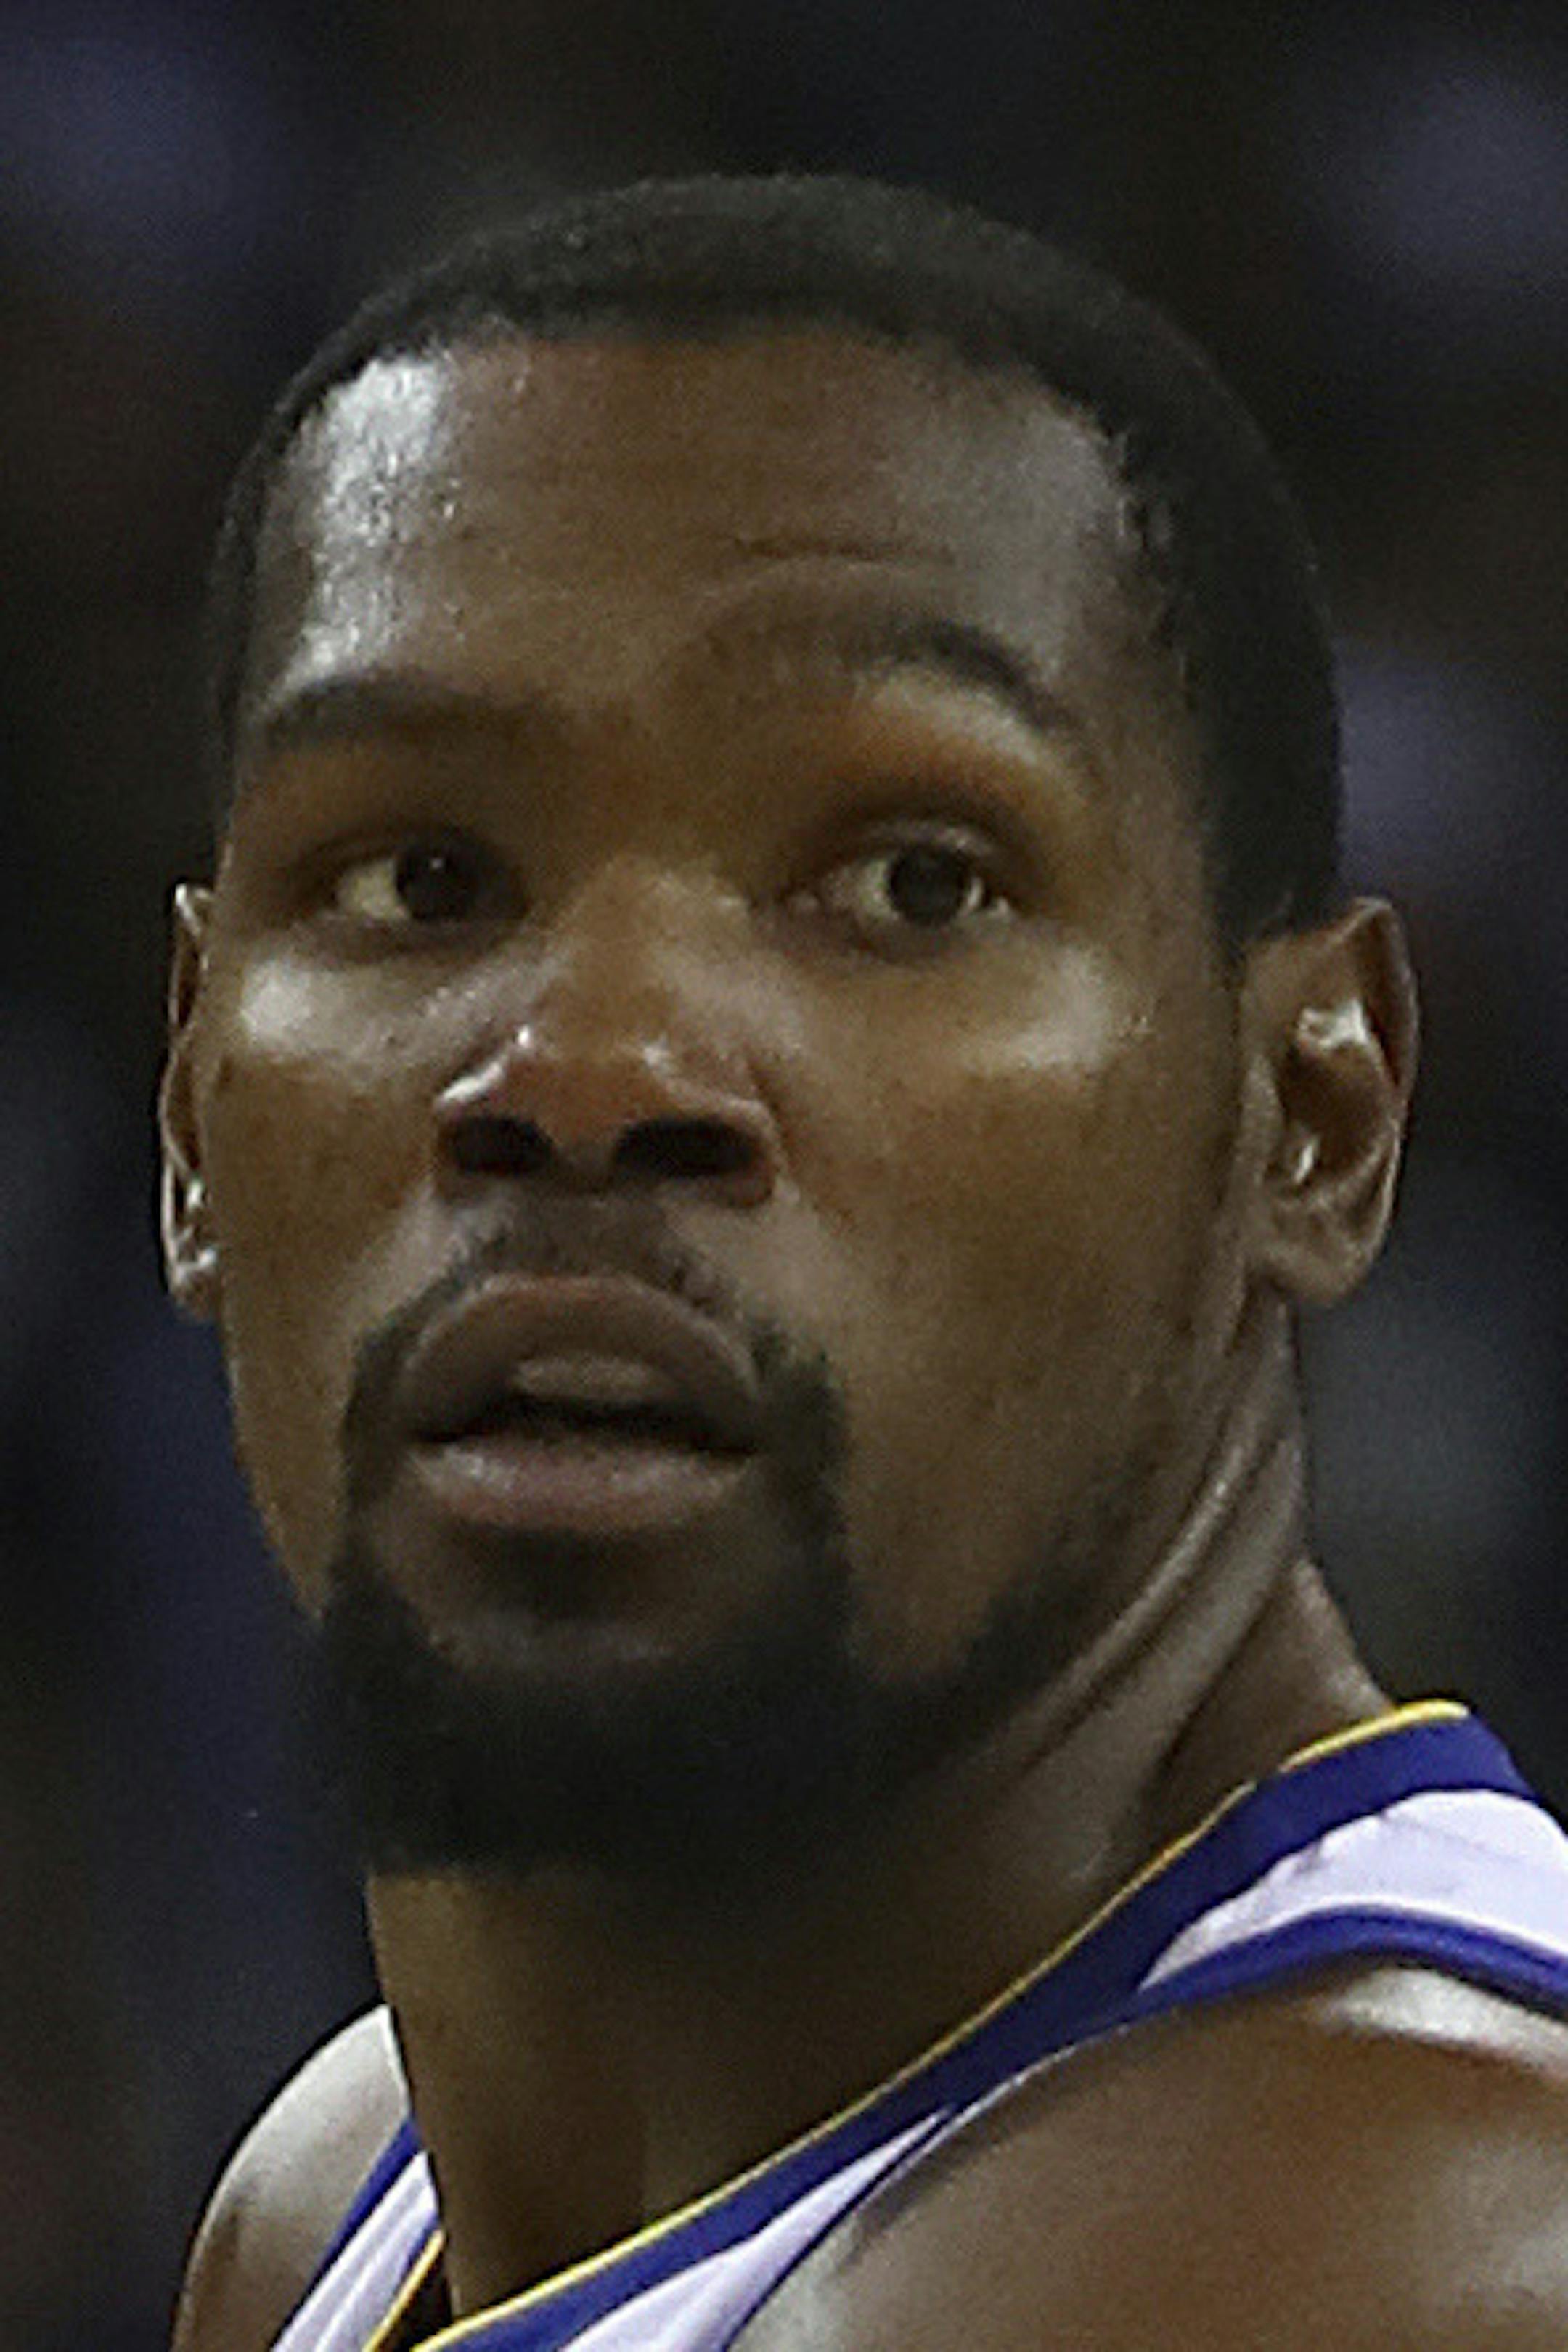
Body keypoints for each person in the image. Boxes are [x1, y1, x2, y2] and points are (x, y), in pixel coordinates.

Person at [162, 175, 1568, 2351]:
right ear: (188, 1129)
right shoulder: (335, 2199)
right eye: (423, 874)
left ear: (1313, 1118)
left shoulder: (1415, 2255)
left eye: (912, 880)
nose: (589, 1068)